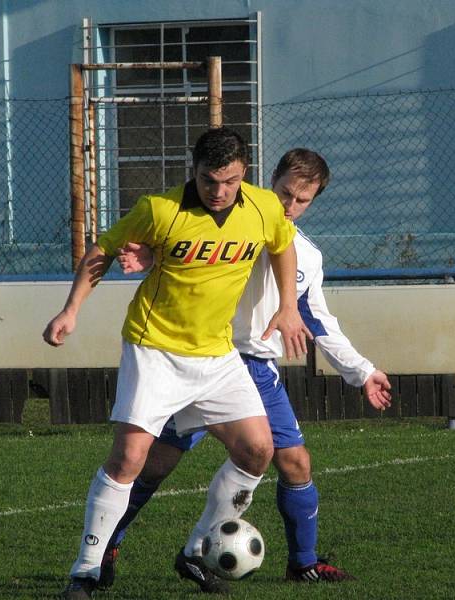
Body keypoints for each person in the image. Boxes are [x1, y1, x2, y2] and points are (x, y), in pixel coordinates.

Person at [104, 148, 392, 593]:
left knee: (295, 462)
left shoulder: (306, 256)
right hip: (199, 358)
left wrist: (362, 371)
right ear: (267, 182)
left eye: (302, 200)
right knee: (153, 464)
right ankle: (108, 545)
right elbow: (183, 257)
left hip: (255, 368)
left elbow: (316, 318)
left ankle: (302, 563)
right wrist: (149, 255)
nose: (290, 206)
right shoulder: (237, 223)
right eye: (284, 194)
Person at [42, 128, 310, 600]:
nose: (219, 190)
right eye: (209, 180)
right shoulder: (160, 210)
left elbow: (282, 244)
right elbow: (102, 251)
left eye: (228, 181)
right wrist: (71, 310)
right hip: (155, 348)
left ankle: (195, 552)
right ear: (195, 171)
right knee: (129, 458)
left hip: (217, 354)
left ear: (243, 172)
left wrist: (288, 305)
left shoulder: (265, 206)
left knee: (257, 450)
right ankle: (83, 573)